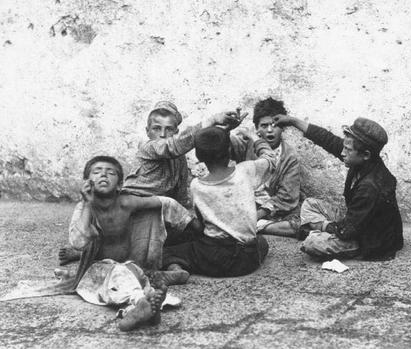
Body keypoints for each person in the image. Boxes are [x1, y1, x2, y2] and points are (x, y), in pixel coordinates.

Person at [59, 103, 244, 265]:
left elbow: (181, 197)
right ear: (147, 131)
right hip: (130, 210)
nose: (162, 134)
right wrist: (212, 120)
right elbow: (171, 146)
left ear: (176, 131)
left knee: (185, 235)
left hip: (156, 213)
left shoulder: (179, 161)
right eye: (156, 128)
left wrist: (224, 129)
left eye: (169, 129)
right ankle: (86, 252)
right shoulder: (148, 148)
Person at [66, 155, 203, 331]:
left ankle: (143, 305)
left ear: (120, 185)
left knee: (130, 272)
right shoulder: (84, 208)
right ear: (86, 182)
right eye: (97, 172)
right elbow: (78, 242)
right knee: (122, 277)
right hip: (98, 271)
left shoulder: (126, 202)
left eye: (110, 173)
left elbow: (164, 203)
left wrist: (190, 222)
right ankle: (143, 303)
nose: (103, 175)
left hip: (130, 264)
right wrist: (87, 203)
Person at [274, 115, 403, 261]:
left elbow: (346, 231)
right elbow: (327, 139)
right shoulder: (362, 159)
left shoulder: (371, 187)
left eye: (347, 150)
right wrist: (292, 121)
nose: (342, 153)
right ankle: (312, 229)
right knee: (310, 205)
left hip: (369, 239)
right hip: (356, 222)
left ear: (366, 154)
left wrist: (321, 226)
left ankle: (311, 230)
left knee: (312, 243)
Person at [162, 126, 275, 277]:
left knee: (167, 251)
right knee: (262, 242)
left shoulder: (197, 186)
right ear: (229, 150)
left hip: (213, 259)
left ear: (198, 156)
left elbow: (203, 223)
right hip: (248, 258)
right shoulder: (245, 171)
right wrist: (254, 136)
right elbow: (270, 158)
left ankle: (176, 268)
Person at [230, 97, 303, 239]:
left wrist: (257, 216)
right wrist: (228, 129)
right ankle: (257, 225)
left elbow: (286, 197)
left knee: (300, 224)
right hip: (245, 202)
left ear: (282, 128)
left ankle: (259, 226)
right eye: (264, 126)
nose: (270, 130)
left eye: (275, 125)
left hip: (271, 209)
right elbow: (222, 147)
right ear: (257, 128)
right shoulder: (247, 144)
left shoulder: (289, 157)